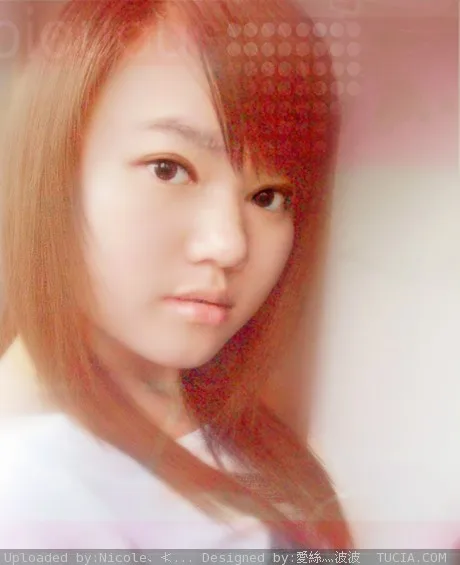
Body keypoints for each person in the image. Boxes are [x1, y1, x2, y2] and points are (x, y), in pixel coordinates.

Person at [0, 0, 353, 550]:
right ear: (53, 169)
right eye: (169, 169)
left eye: (269, 196)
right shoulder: (28, 487)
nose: (229, 245)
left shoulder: (240, 437)